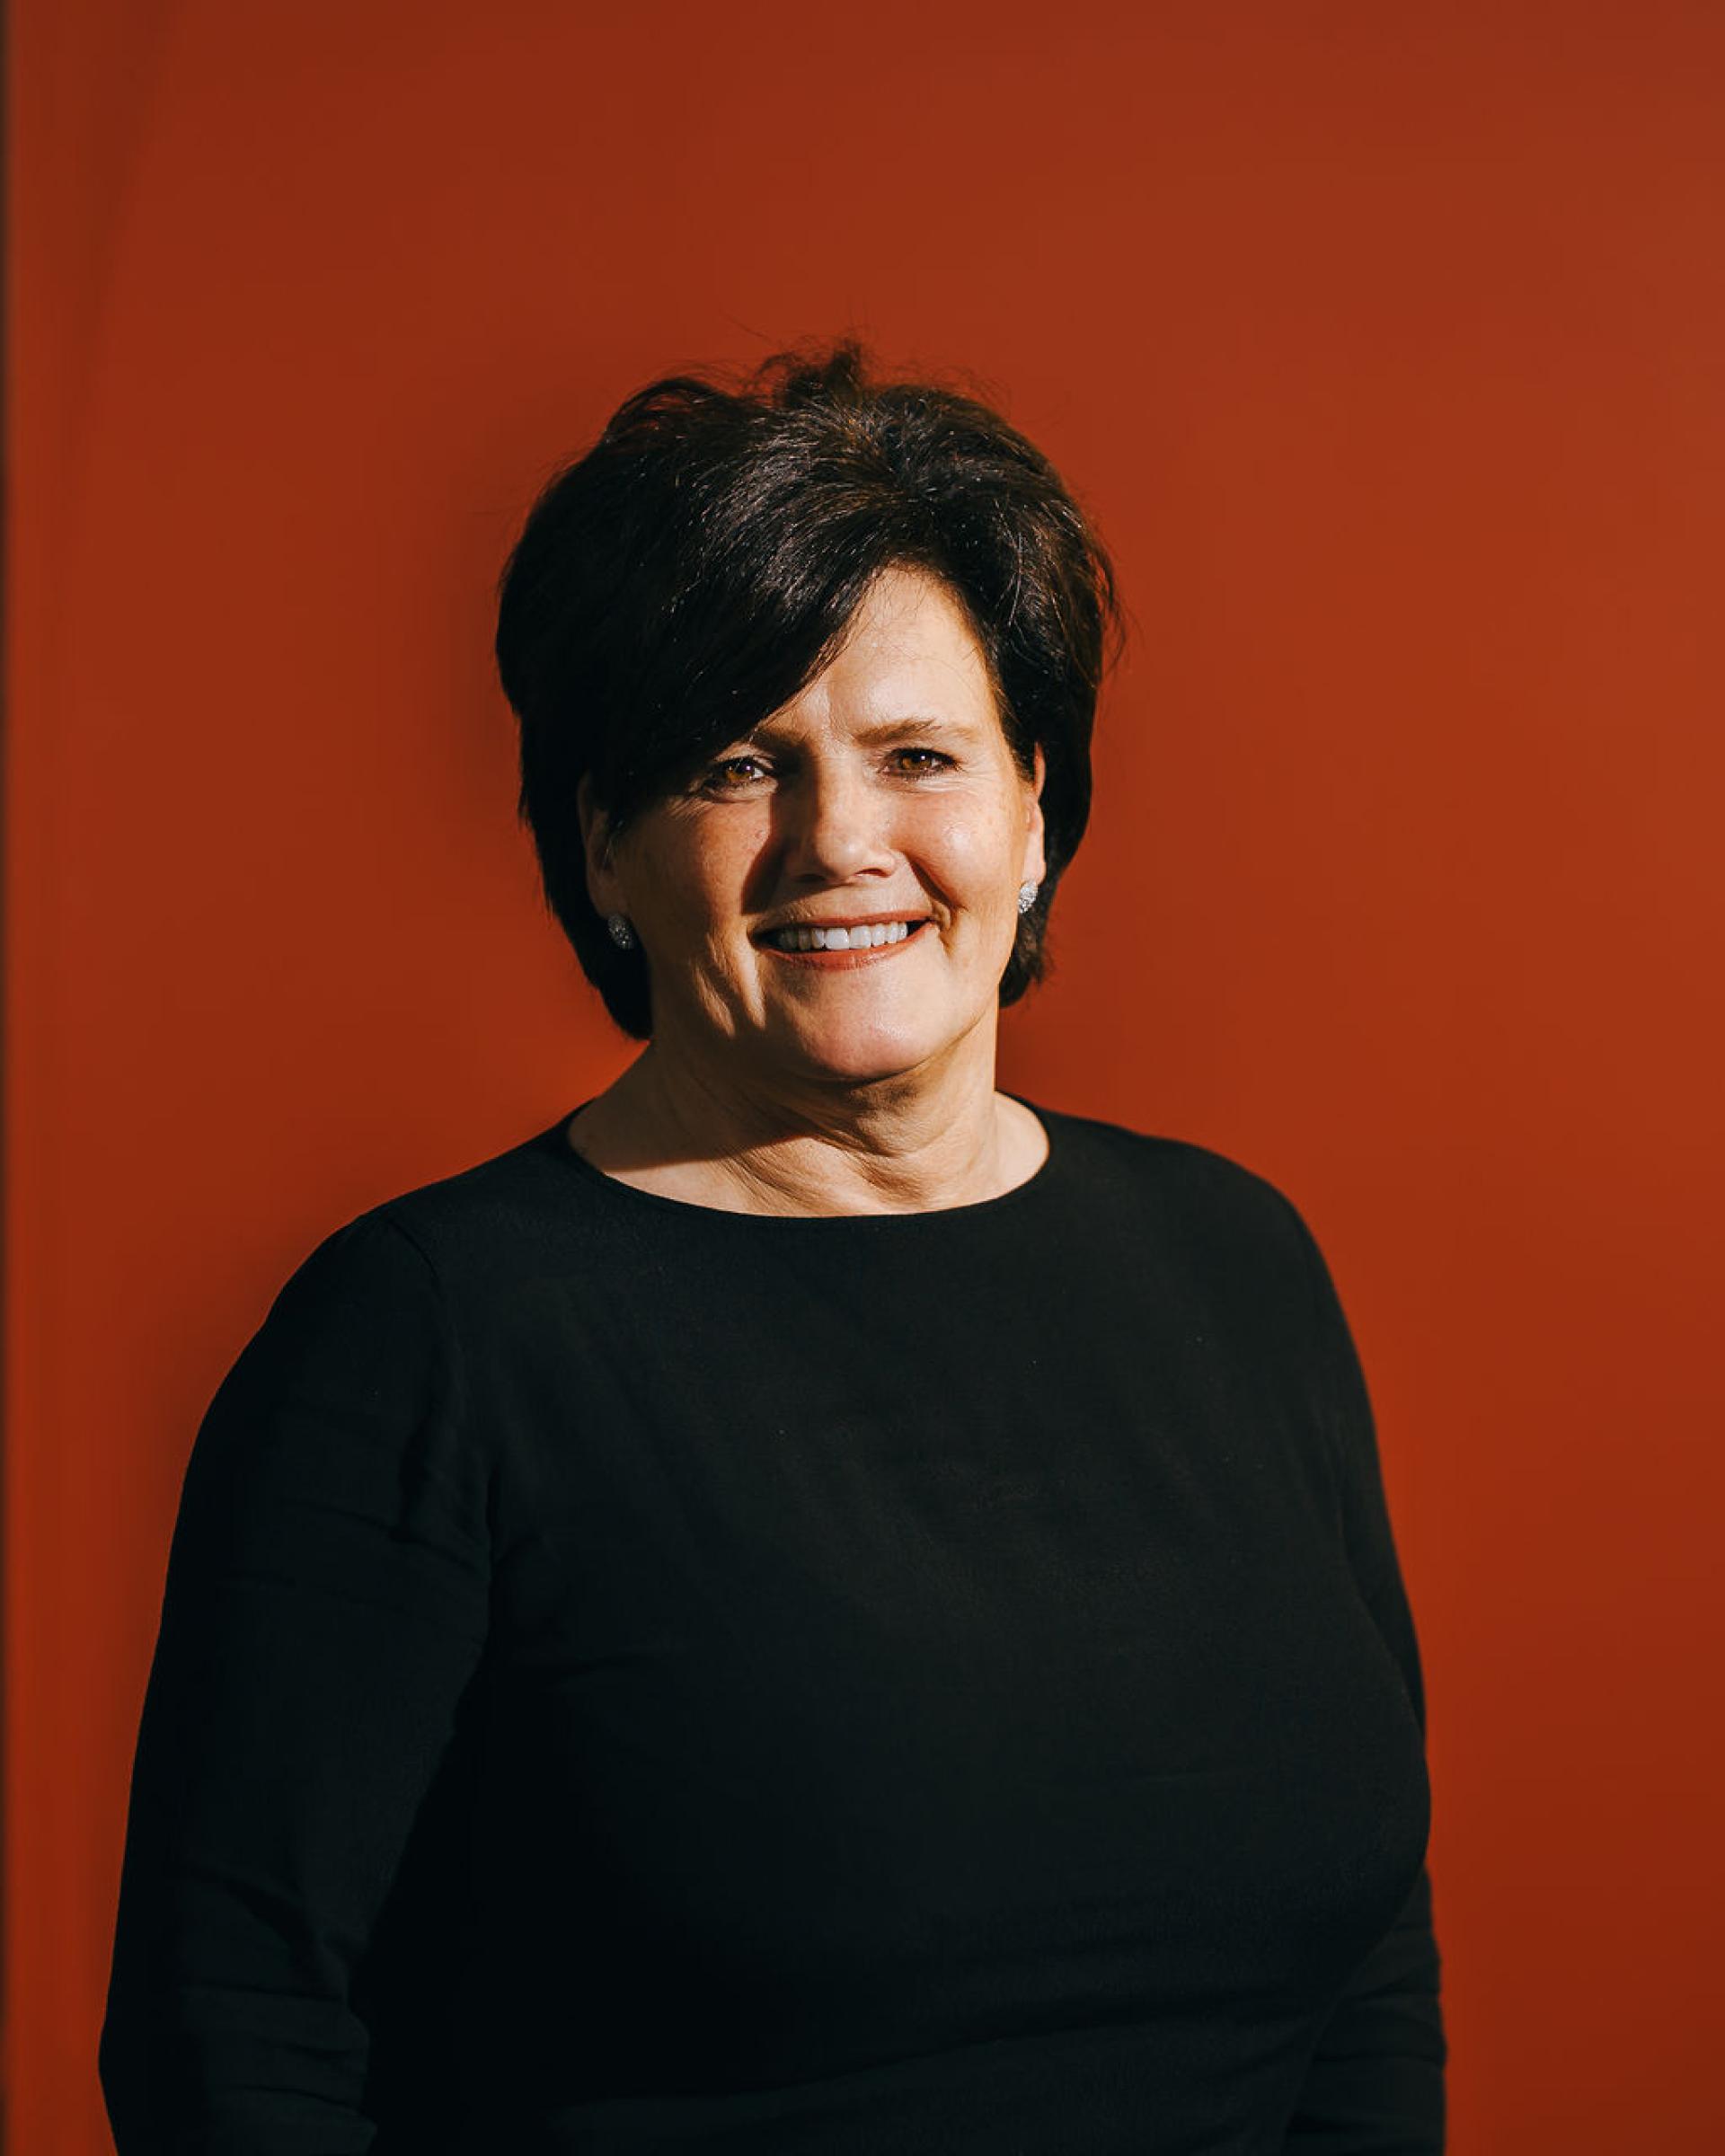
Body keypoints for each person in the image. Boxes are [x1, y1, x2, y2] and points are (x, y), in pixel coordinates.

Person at [99, 340, 1446, 2153]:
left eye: (918, 756)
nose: (842, 843)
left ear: (1033, 811)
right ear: (603, 849)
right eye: (738, 762)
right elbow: (231, 2035)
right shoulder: (428, 1341)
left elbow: (1368, 1985)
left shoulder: (1236, 1265)